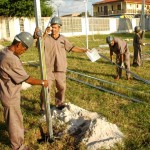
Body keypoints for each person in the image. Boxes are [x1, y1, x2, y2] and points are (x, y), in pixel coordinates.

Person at [0, 32, 48, 150]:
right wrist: (43, 82)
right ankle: (18, 146)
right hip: (10, 95)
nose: (24, 51)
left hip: (8, 91)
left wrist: (33, 36)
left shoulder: (5, 50)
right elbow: (28, 79)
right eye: (24, 49)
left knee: (16, 118)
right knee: (14, 121)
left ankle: (18, 132)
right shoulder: (11, 59)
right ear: (18, 44)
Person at [33, 16, 89, 111]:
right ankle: (43, 107)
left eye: (55, 27)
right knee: (46, 88)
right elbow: (38, 45)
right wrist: (45, 34)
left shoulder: (63, 38)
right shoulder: (46, 38)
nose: (53, 29)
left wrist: (84, 50)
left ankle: (59, 104)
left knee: (61, 87)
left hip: (60, 67)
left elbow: (71, 48)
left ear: (60, 28)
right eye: (52, 27)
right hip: (48, 68)